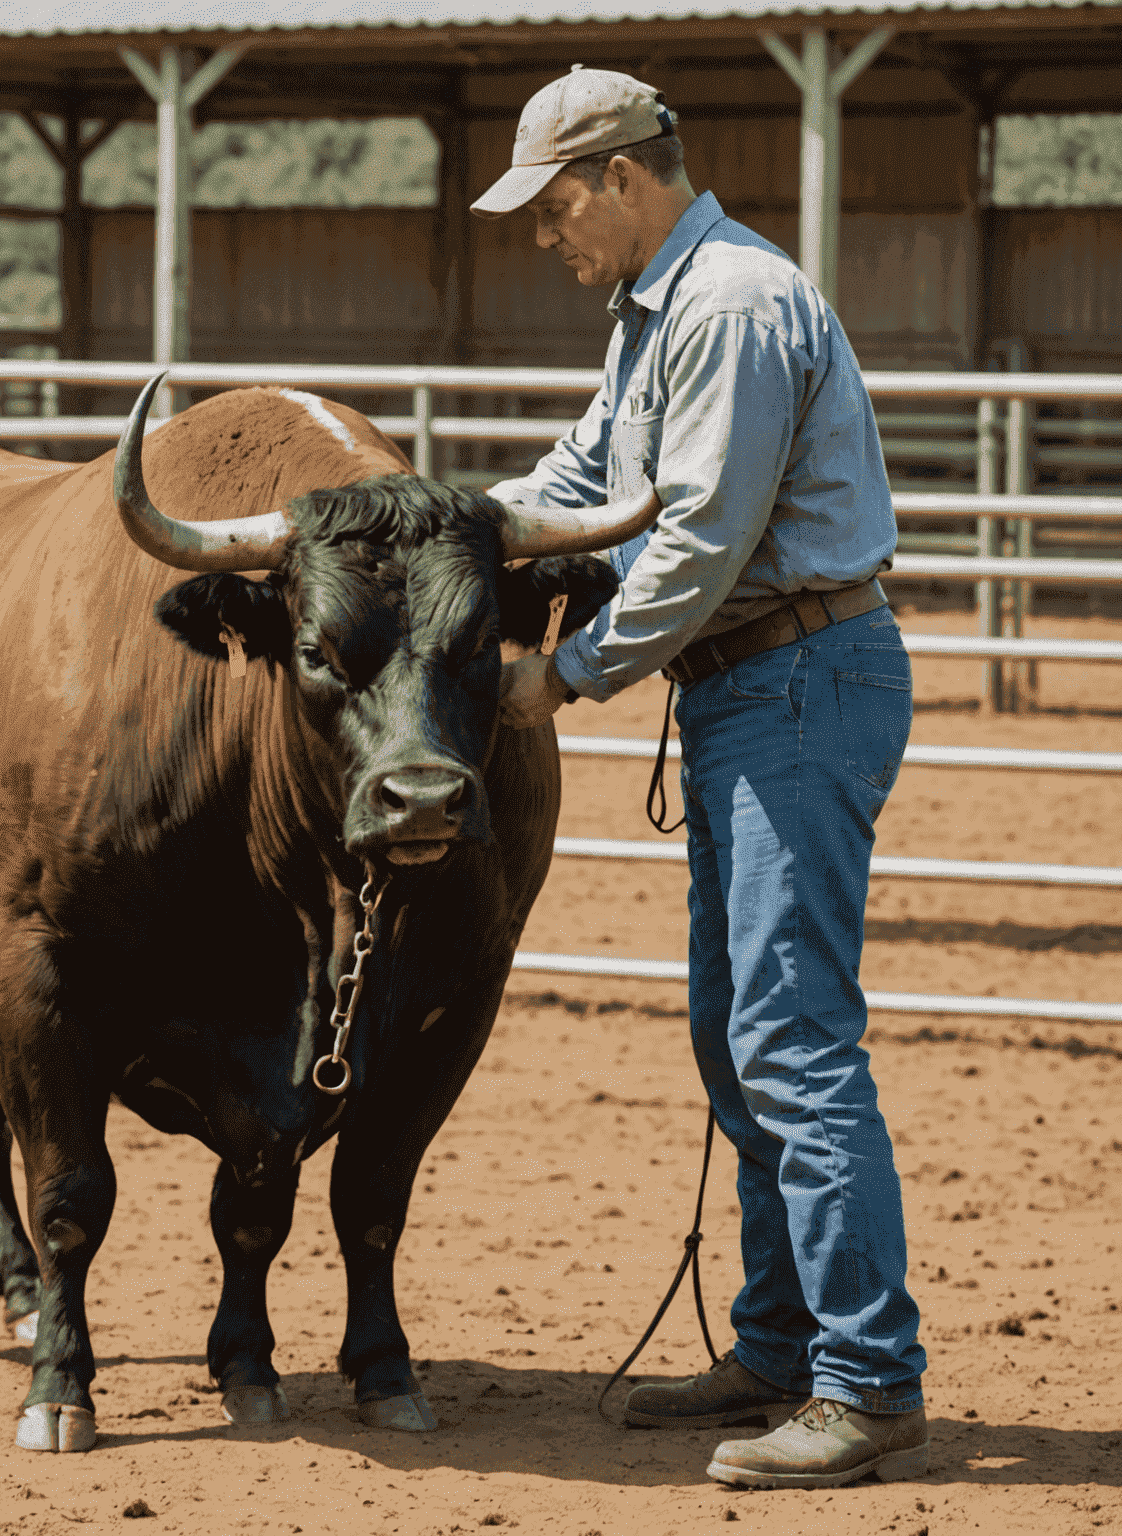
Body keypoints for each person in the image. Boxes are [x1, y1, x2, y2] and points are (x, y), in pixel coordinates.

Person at [471, 65, 928, 1491]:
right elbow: (589, 469)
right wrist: (453, 528)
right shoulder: (658, 311)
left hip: (796, 678)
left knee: (791, 1042)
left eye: (554, 208)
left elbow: (699, 542)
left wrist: (564, 674)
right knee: (742, 1037)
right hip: (755, 690)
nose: (548, 236)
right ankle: (781, 1349)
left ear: (618, 177)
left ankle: (866, 1381)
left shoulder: (726, 305)